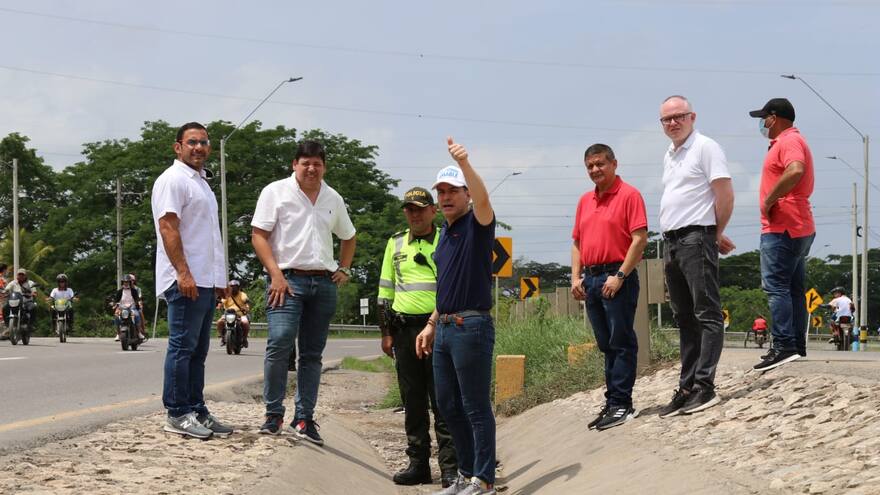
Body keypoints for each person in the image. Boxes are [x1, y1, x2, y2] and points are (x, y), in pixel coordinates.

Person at [251, 139, 357, 444]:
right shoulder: (275, 192)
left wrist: (345, 268)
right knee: (280, 341)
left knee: (312, 354)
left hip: (323, 282)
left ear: (324, 167)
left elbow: (349, 236)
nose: (311, 169)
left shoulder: (332, 198)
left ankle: (304, 419)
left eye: (317, 164)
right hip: (287, 280)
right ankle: (273, 415)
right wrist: (275, 275)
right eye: (305, 163)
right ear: (294, 164)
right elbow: (259, 236)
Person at [415, 137, 497, 495]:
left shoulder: (477, 227)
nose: (446, 197)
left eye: (453, 191)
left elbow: (484, 200)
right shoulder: (445, 236)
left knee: (475, 406)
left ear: (465, 194)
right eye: (442, 192)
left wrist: (465, 164)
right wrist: (431, 324)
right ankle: (464, 473)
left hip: (471, 326)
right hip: (446, 328)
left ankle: (485, 479)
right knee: (448, 405)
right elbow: (445, 290)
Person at [152, 121, 232, 439]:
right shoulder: (173, 180)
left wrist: (220, 278)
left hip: (206, 280)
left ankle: (197, 408)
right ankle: (176, 412)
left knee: (198, 351)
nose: (198, 147)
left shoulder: (201, 183)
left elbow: (209, 236)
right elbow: (169, 228)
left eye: (203, 142)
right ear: (178, 147)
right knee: (182, 348)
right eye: (192, 142)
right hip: (185, 279)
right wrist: (183, 273)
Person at [656, 95, 735, 417]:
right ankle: (687, 386)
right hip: (672, 242)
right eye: (667, 119)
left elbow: (725, 193)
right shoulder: (670, 155)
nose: (673, 123)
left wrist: (714, 233)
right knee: (684, 317)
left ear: (692, 117)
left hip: (695, 237)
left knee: (706, 313)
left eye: (679, 116)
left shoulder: (706, 147)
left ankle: (705, 385)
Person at [378, 187, 457, 488]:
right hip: (404, 331)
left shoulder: (447, 239)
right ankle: (418, 465)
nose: (416, 214)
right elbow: (385, 291)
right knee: (412, 400)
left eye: (421, 209)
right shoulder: (395, 243)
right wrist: (386, 333)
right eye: (410, 209)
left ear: (433, 211)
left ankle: (450, 466)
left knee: (443, 399)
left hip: (439, 328)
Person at [570, 144, 647, 431]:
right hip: (590, 279)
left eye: (600, 164)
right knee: (605, 344)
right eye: (590, 166)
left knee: (621, 341)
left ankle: (622, 404)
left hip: (617, 277)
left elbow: (639, 238)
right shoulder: (584, 201)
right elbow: (577, 242)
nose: (595, 170)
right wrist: (575, 277)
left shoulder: (629, 195)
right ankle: (612, 400)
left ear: (614, 163)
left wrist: (621, 275)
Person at [749, 98, 815, 371]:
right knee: (794, 289)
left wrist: (769, 199)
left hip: (782, 226)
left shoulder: (788, 141)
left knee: (776, 287)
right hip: (799, 224)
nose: (762, 124)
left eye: (764, 118)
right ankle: (796, 345)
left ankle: (784, 344)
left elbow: (796, 169)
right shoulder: (791, 140)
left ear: (774, 118)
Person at [2, 268, 39, 333]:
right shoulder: (13, 283)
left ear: (25, 276)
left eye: (22, 275)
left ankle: (30, 325)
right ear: (17, 275)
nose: (21, 276)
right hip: (14, 301)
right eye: (19, 274)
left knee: (33, 307)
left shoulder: (30, 283)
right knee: (4, 308)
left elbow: (35, 292)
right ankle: (7, 325)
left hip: (27, 301)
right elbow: (6, 289)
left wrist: (32, 294)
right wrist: (4, 292)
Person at [216, 279, 251, 347]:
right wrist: (219, 306)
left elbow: (246, 302)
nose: (233, 288)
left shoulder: (242, 294)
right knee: (219, 322)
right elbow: (222, 302)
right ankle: (223, 338)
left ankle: (244, 339)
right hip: (228, 314)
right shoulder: (227, 295)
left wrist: (246, 308)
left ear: (238, 287)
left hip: (240, 314)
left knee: (245, 323)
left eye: (235, 287)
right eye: (231, 286)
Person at [114, 274, 144, 341]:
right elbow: (116, 300)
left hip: (132, 307)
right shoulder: (120, 291)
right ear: (122, 282)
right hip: (122, 308)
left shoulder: (134, 290)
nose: (126, 283)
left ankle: (139, 333)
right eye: (125, 282)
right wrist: (115, 305)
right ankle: (118, 334)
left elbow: (137, 299)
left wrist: (138, 303)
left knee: (136, 315)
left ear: (130, 282)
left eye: (127, 282)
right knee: (116, 316)